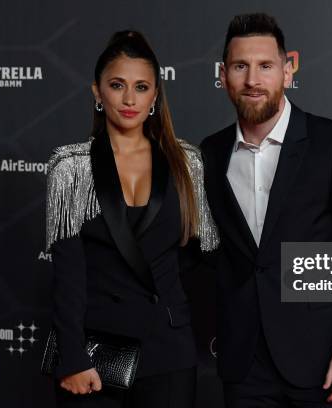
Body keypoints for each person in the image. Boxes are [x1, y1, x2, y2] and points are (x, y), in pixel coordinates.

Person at [200, 13, 332, 407]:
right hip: (243, 365)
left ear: (287, 70)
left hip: (324, 361)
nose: (252, 80)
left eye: (265, 66)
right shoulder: (208, 154)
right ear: (223, 75)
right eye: (240, 66)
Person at [45, 30, 218, 407]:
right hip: (95, 354)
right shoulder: (70, 167)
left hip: (169, 350)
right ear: (97, 91)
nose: (129, 99)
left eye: (141, 87)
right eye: (117, 85)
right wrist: (72, 356)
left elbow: (200, 256)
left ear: (155, 95)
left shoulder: (187, 162)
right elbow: (68, 272)